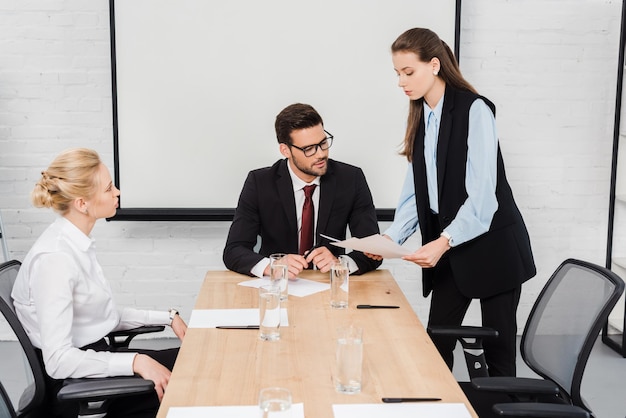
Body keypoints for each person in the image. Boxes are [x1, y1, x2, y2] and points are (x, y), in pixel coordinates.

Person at [371, 28, 536, 377]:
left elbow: (482, 198)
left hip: (494, 248)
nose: (402, 82)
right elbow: (418, 190)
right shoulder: (422, 115)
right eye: (397, 74)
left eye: (408, 72)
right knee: (436, 344)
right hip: (451, 249)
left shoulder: (474, 110)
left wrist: (441, 242)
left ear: (434, 65)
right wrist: (391, 239)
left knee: (500, 354)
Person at [11, 148, 187, 418]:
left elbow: (100, 316)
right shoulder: (56, 259)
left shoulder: (74, 243)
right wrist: (137, 361)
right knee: (196, 382)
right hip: (85, 385)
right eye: (109, 188)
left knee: (197, 361)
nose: (117, 192)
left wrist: (168, 316)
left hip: (97, 359)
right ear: (82, 203)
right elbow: (58, 361)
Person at [223, 103, 382, 279]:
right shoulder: (260, 183)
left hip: (329, 285)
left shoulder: (351, 179)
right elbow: (234, 250)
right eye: (308, 149)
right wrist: (273, 265)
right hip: (279, 287)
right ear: (286, 150)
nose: (320, 154)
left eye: (323, 143)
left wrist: (340, 263)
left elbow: (373, 251)